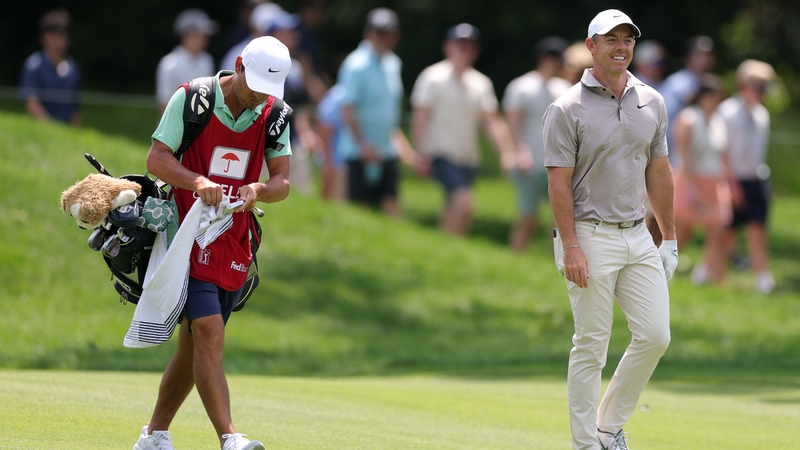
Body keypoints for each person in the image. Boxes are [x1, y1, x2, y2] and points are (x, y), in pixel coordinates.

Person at [133, 36, 293, 450]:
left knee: (193, 345)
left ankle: (153, 436)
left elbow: (283, 182)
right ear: (238, 65)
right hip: (182, 233)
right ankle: (230, 437)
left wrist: (259, 189)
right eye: (255, 83)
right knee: (208, 330)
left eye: (268, 90)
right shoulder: (192, 99)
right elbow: (157, 158)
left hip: (233, 237)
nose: (260, 95)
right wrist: (198, 181)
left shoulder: (275, 113)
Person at [543, 9, 676, 450]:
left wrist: (669, 237)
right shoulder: (566, 108)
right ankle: (586, 444)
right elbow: (558, 182)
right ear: (591, 46)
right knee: (592, 345)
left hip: (637, 233)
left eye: (628, 39)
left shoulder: (651, 101)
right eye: (611, 39)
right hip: (589, 233)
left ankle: (608, 427)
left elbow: (659, 172)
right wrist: (571, 245)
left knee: (656, 335)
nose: (621, 47)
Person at [410, 23, 517, 237]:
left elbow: (492, 122)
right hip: (441, 153)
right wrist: (420, 154)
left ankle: (444, 250)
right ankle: (455, 248)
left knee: (453, 205)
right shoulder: (432, 77)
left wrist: (507, 152)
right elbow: (420, 117)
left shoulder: (480, 83)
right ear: (447, 47)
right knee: (464, 202)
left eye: (469, 46)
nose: (464, 50)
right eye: (460, 45)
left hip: (467, 156)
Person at [337, 8, 408, 217]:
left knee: (392, 204)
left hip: (386, 149)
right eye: (377, 32)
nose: (381, 37)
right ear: (368, 33)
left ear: (395, 35)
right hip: (359, 151)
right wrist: (363, 144)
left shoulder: (394, 63)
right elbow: (347, 109)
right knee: (360, 210)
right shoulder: (355, 65)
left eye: (386, 32)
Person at [503, 36, 571, 252]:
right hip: (530, 161)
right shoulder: (522, 87)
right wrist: (519, 153)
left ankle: (559, 263)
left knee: (561, 219)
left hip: (557, 163)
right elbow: (512, 125)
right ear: (544, 59)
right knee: (527, 216)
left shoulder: (564, 88)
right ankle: (515, 258)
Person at [717, 59, 777, 294]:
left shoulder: (762, 114)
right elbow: (723, 151)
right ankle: (709, 273)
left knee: (758, 229)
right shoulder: (728, 112)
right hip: (733, 179)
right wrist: (730, 183)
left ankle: (762, 277)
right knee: (725, 232)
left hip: (755, 179)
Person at [672, 74, 731, 285]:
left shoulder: (718, 121)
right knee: (683, 232)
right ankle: (660, 269)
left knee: (719, 228)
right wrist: (691, 189)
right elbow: (684, 157)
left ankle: (713, 277)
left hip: (714, 181)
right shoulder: (689, 119)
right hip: (691, 180)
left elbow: (722, 155)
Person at [266, 10, 323, 195]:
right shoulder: (260, 65)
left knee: (301, 193)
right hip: (261, 139)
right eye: (287, 32)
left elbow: (299, 107)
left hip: (292, 140)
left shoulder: (296, 67)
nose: (294, 36)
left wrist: (307, 132)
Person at [660, 35, 715, 168]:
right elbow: (663, 121)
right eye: (699, 54)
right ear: (689, 57)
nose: (704, 59)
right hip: (677, 157)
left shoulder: (711, 84)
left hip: (702, 160)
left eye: (707, 54)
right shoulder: (675, 84)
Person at [19, 8, 81, 126]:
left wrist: (76, 135)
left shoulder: (74, 69)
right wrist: (53, 130)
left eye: (62, 36)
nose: (58, 42)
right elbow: (32, 103)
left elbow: (74, 110)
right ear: (43, 38)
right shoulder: (33, 65)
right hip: (40, 134)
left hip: (66, 136)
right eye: (53, 37)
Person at [156, 9, 218, 114]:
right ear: (187, 36)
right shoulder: (169, 64)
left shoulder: (206, 60)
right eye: (201, 35)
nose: (205, 39)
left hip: (199, 126)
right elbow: (164, 104)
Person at [220, 1, 284, 72]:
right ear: (255, 31)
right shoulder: (238, 56)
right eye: (272, 31)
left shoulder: (283, 56)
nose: (278, 36)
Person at [316, 84, 348, 200]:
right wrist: (328, 165)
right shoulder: (337, 97)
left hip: (350, 164)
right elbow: (325, 131)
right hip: (337, 164)